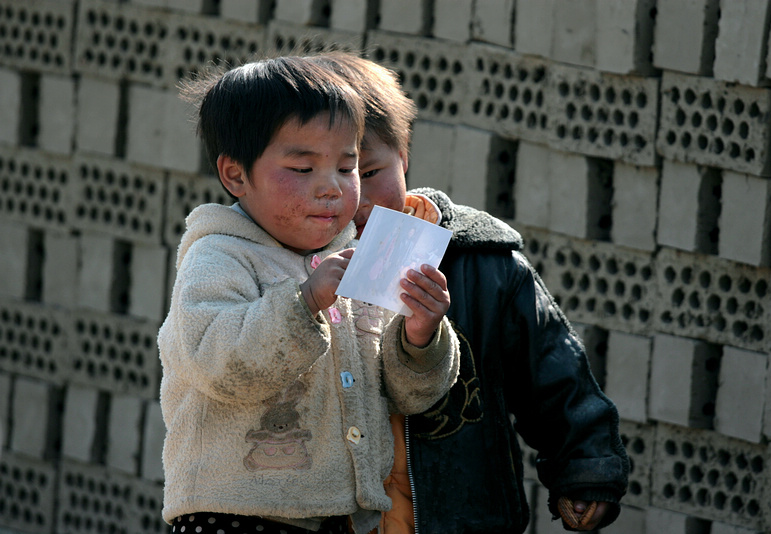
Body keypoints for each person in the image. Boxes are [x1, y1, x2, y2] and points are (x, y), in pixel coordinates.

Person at [309, 51, 630, 533]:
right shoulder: (287, 270)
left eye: (368, 172)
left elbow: (554, 375)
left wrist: (585, 471)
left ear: (405, 155)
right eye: (325, 176)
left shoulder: (481, 263)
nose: (354, 196)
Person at [157, 56, 461, 534]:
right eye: (303, 167)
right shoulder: (219, 257)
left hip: (342, 519)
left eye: (347, 166)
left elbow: (408, 394)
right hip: (235, 515)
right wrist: (302, 304)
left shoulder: (360, 260)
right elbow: (218, 364)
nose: (332, 189)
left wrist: (420, 336)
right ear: (236, 175)